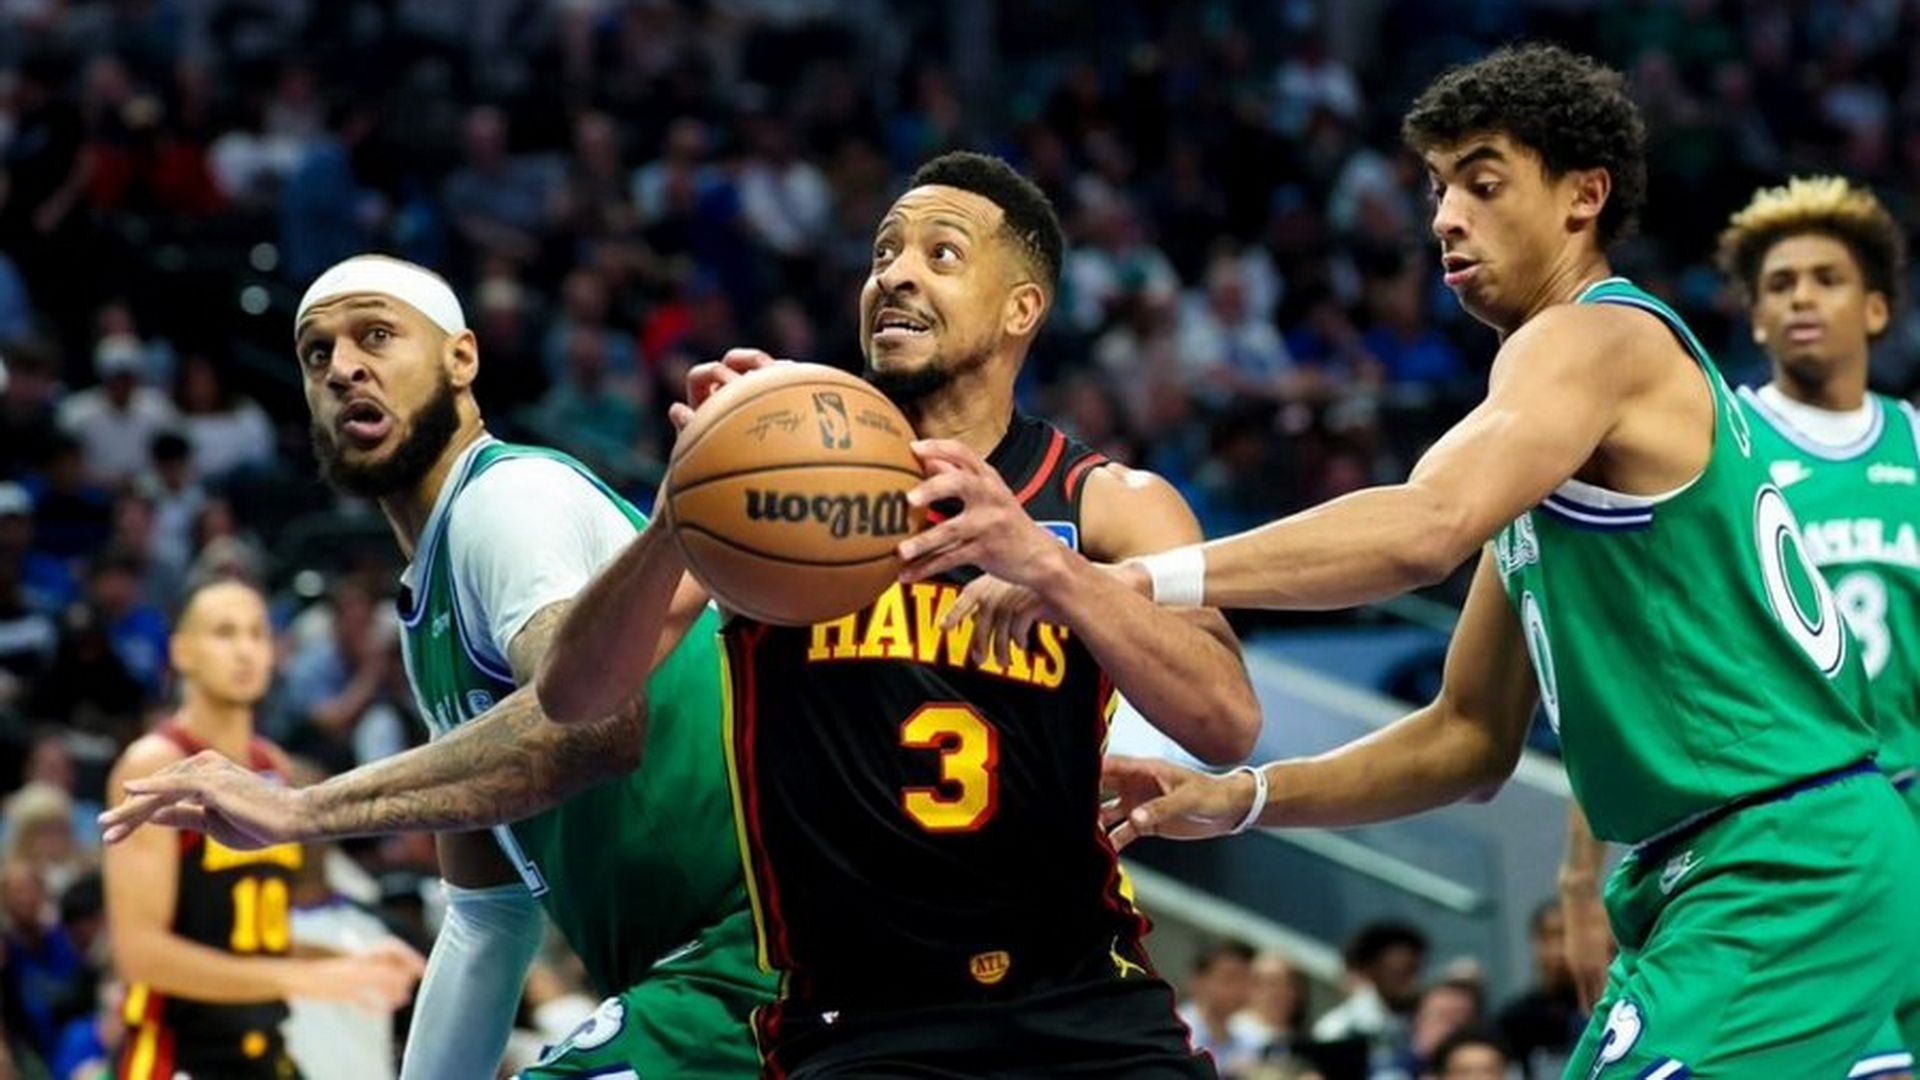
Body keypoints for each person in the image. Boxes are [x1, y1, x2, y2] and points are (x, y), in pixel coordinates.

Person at [1087, 44, 1917, 1076]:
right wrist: (1245, 796)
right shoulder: (1552, 447)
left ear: (1584, 196)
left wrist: (1138, 579)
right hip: (1748, 863)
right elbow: (1469, 737)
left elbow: (1423, 526)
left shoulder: (1590, 338)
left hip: (1782, 863)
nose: (1445, 217)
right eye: (1438, 189)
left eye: (1483, 184)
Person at [540, 151, 1262, 1077]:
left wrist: (1048, 566)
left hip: (1084, 995)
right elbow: (573, 695)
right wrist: (680, 514)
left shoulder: (1106, 504)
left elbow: (1226, 723)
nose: (896, 274)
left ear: (1022, 309)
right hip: (858, 1019)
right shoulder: (774, 487)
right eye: (884, 253)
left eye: (941, 253)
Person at [101, 254, 776, 1078]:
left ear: (462, 359)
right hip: (692, 986)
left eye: (376, 336)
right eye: (317, 354)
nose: (343, 368)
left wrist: (301, 810)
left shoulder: (506, 500)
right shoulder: (427, 613)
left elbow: (591, 727)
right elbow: (487, 922)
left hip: (753, 956)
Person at [1559, 174, 1920, 1079]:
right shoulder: (1718, 439)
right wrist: (1579, 873)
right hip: (1782, 829)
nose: (1801, 298)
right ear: (1753, 318)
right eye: (1778, 285)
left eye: (1826, 279)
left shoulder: (1915, 444)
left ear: (1877, 309)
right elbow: (1618, 669)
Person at [102, 577, 422, 1080]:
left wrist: (351, 961)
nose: (245, 650)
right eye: (224, 633)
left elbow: (253, 940)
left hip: (264, 1049)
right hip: (178, 1058)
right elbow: (141, 955)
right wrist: (313, 979)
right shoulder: (154, 762)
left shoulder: (274, 766)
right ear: (182, 652)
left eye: (257, 634)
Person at [1178, 940, 1261, 1074]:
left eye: (1246, 980)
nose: (1239, 989)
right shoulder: (1171, 1031)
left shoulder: (1248, 1044)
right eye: (1230, 978)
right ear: (1198, 981)